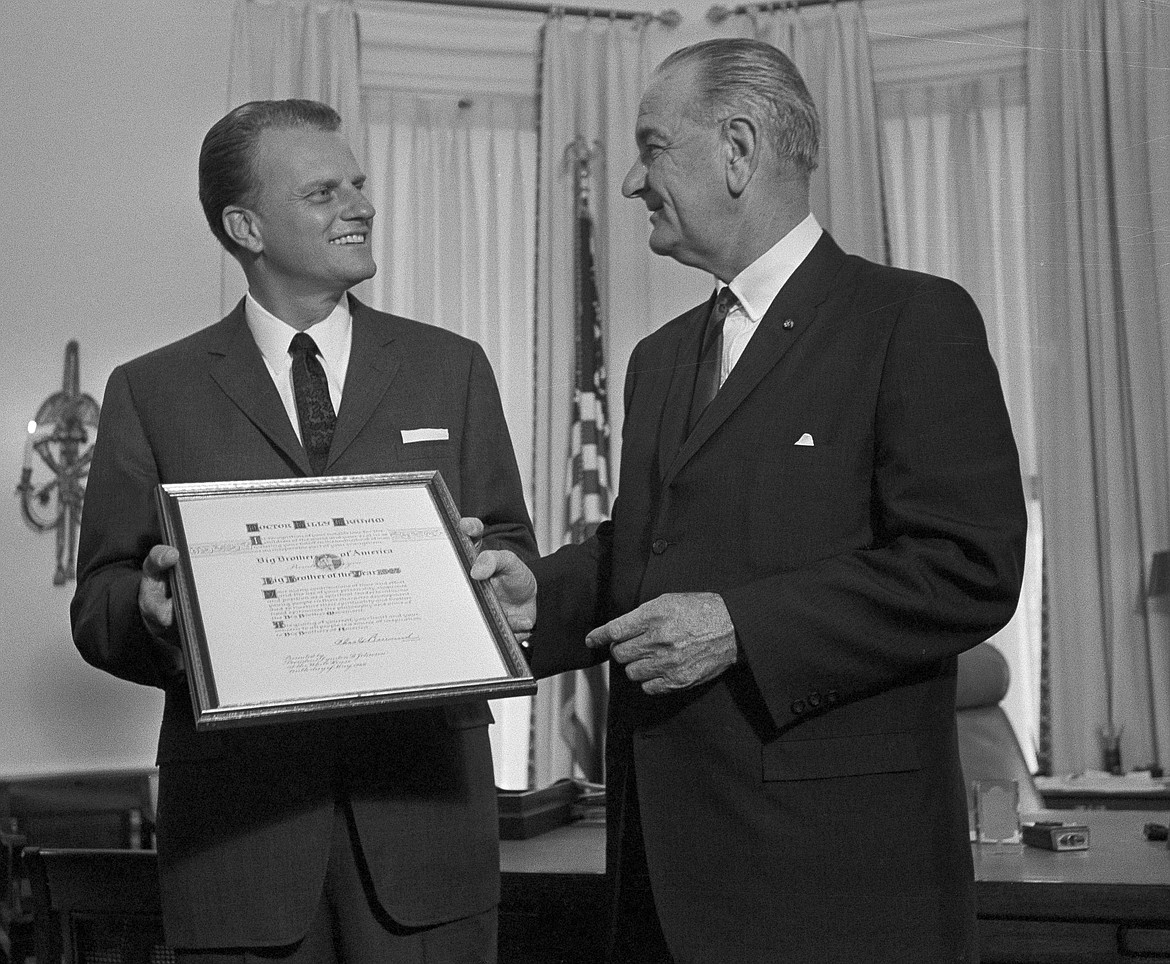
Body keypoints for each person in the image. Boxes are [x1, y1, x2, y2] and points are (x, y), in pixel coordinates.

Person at [469, 39, 1027, 963]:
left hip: (837, 886)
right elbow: (648, 554)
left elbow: (968, 567)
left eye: (651, 148)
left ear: (737, 148)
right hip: (661, 879)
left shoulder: (909, 321)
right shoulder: (659, 358)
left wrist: (740, 625)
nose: (631, 183)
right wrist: (541, 597)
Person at [71, 99, 536, 964]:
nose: (359, 205)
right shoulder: (151, 390)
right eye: (325, 192)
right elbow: (98, 604)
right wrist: (149, 611)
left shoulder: (451, 366)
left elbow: (509, 548)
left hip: (427, 831)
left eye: (358, 184)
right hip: (239, 850)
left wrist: (512, 585)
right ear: (245, 225)